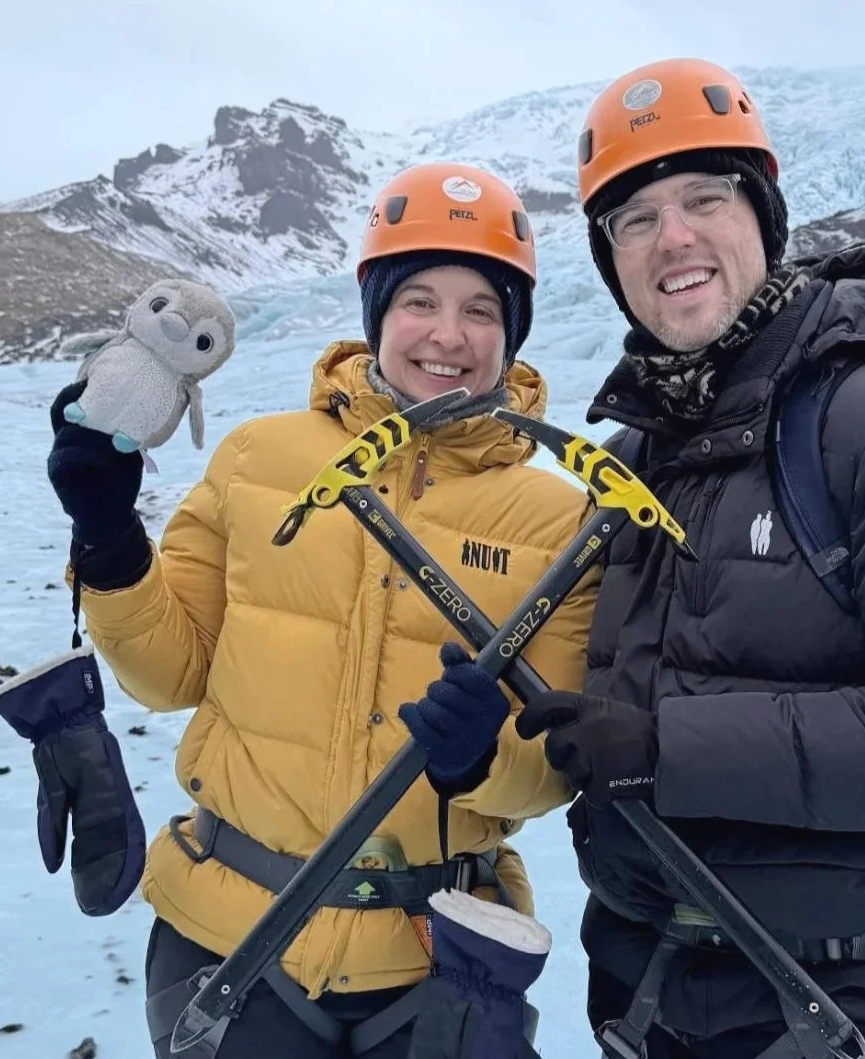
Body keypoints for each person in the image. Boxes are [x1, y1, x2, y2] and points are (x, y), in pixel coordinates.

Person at [514, 58, 865, 1058]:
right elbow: (591, 712)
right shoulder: (629, 463)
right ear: (610, 259)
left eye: (704, 199)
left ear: (763, 216)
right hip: (645, 987)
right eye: (635, 219)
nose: (673, 238)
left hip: (838, 997)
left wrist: (668, 746)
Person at [43, 161, 594, 1058]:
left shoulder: (559, 521)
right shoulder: (256, 458)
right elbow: (169, 671)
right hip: (227, 943)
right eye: (418, 300)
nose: (447, 334)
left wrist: (480, 758)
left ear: (512, 333)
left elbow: (550, 771)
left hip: (441, 959)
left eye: (481, 310)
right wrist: (107, 536)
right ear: (377, 313)